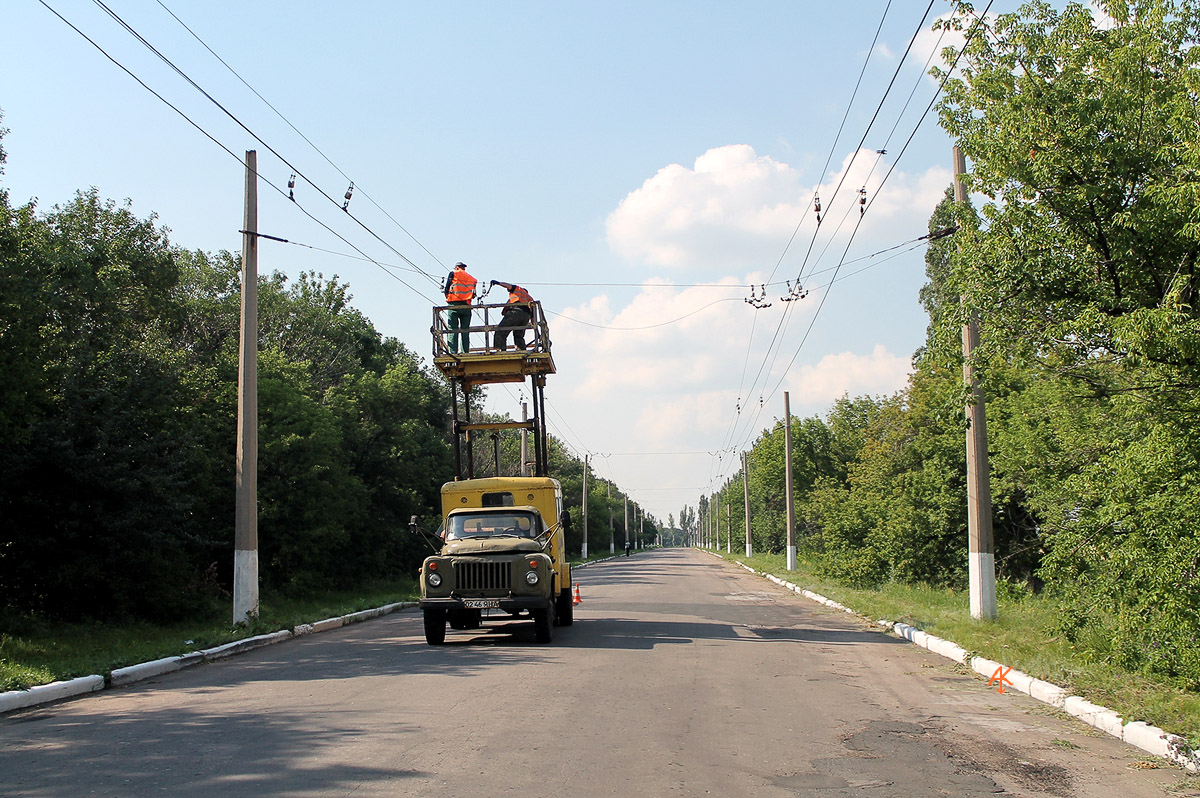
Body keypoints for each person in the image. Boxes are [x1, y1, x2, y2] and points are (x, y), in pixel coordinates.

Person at [443, 262, 477, 354]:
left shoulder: (453, 273)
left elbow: (447, 288)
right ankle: (465, 352)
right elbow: (474, 295)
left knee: (453, 329)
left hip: (454, 304)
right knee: (465, 330)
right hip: (466, 306)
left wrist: (447, 296)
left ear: (457, 267)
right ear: (464, 268)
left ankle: (453, 352)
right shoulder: (472, 279)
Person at [490, 279, 534, 350]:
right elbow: (533, 315)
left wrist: (498, 283)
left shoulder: (517, 290)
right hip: (526, 316)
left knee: (500, 331)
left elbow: (508, 286)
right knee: (519, 336)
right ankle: (521, 350)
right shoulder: (529, 298)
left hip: (516, 312)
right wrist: (534, 326)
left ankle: (500, 350)